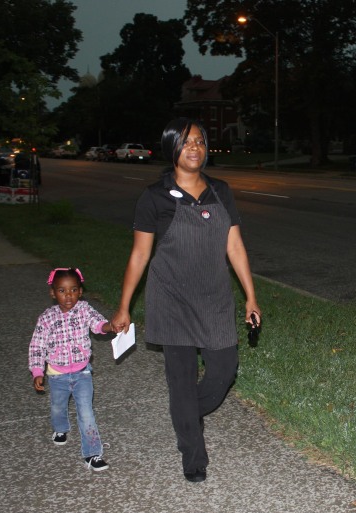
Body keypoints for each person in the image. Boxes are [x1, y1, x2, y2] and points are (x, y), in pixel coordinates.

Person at [111, 117, 261, 483]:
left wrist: (251, 298)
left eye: (199, 141)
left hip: (214, 298)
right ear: (171, 148)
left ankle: (185, 413)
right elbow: (139, 256)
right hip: (171, 299)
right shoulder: (154, 197)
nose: (194, 147)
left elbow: (235, 247)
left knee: (224, 370)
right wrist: (124, 306)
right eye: (186, 141)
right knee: (181, 380)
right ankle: (193, 457)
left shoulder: (221, 191)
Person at [28, 267, 113, 472]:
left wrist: (110, 326)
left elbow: (98, 324)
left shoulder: (84, 310)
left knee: (86, 412)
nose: (68, 296)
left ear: (80, 291)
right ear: (53, 293)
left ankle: (92, 453)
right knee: (58, 406)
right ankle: (60, 428)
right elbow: (37, 346)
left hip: (83, 372)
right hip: (57, 375)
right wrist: (37, 372)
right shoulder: (47, 318)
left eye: (74, 290)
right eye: (62, 291)